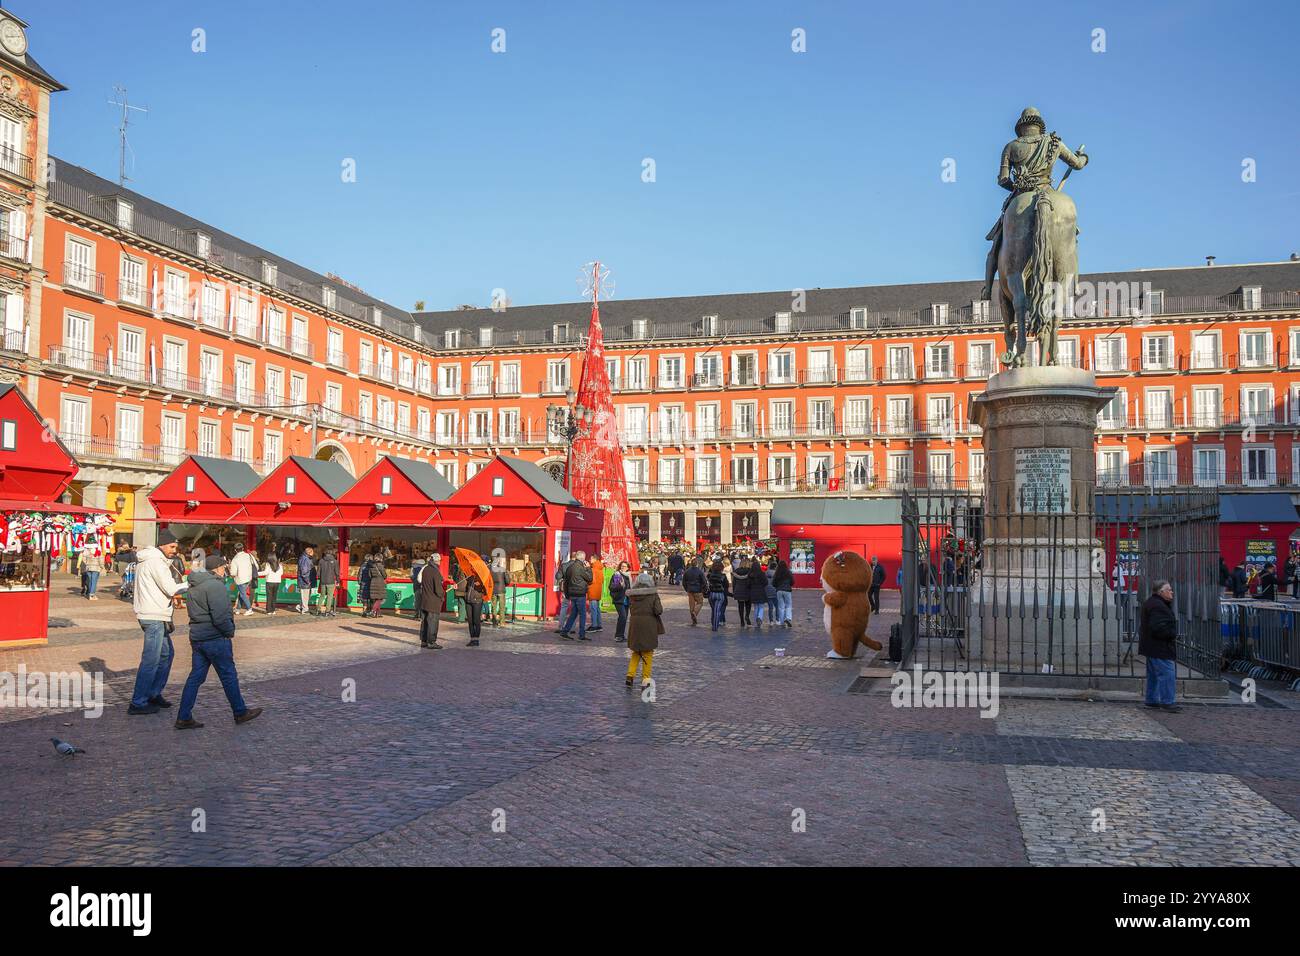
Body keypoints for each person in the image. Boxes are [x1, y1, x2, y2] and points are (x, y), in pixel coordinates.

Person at [174, 553, 263, 729]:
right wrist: (229, 631)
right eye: (224, 568)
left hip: (198, 636)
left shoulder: (194, 585)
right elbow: (221, 615)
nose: (226, 571)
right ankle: (240, 711)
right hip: (215, 637)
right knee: (228, 675)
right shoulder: (215, 586)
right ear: (216, 569)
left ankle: (184, 716)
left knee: (196, 677)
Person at [129, 529, 189, 716]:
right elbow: (171, 588)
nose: (174, 550)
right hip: (153, 615)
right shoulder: (155, 562)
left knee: (165, 654)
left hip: (155, 613)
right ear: (162, 545)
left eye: (175, 547)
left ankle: (153, 693)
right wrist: (193, 583)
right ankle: (138, 702)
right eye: (172, 546)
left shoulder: (154, 560)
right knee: (151, 659)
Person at [1139, 579, 1180, 713]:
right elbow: (1158, 627)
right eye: (1169, 589)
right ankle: (1168, 701)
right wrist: (1172, 634)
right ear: (1161, 592)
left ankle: (1152, 700)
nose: (1171, 592)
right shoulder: (1158, 606)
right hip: (1160, 647)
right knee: (1167, 674)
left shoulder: (1152, 603)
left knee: (1154, 675)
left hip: (1152, 646)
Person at [625, 571, 663, 690]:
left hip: (635, 623)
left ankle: (630, 676)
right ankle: (645, 680)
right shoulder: (653, 595)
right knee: (647, 653)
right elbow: (658, 610)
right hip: (648, 624)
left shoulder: (632, 595)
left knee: (636, 651)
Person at [558, 550, 594, 641]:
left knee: (573, 614)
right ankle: (581, 635)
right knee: (582, 615)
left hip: (572, 594)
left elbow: (566, 582)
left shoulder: (570, 567)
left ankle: (564, 632)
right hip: (580, 593)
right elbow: (590, 579)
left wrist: (567, 594)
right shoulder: (580, 567)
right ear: (583, 558)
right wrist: (589, 568)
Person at [419, 551, 445, 648]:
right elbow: (438, 590)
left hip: (425, 600)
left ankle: (424, 641)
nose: (439, 562)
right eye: (439, 561)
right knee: (433, 622)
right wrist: (443, 593)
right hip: (433, 602)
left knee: (425, 621)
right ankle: (431, 642)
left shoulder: (426, 569)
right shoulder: (435, 572)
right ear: (436, 561)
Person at [609, 560, 632, 643]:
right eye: (622, 566)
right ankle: (618, 636)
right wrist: (620, 586)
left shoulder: (628, 576)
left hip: (626, 599)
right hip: (619, 599)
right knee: (622, 616)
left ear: (628, 568)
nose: (623, 568)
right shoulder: (617, 575)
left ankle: (621, 635)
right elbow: (612, 587)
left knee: (624, 618)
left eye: (625, 566)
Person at [459, 572, 485, 646]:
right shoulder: (469, 576)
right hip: (468, 600)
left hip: (477, 600)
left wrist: (480, 585)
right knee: (470, 621)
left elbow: (486, 590)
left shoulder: (482, 577)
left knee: (476, 621)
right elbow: (465, 587)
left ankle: (476, 640)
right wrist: (457, 587)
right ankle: (472, 639)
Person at [681, 557, 706, 626]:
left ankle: (693, 620)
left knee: (691, 605)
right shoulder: (700, 571)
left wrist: (687, 589)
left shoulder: (687, 571)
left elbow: (684, 582)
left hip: (690, 590)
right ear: (697, 564)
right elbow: (704, 581)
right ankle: (694, 613)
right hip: (698, 589)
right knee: (700, 603)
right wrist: (703, 589)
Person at [706, 559, 729, 632]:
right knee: (717, 610)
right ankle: (715, 627)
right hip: (720, 594)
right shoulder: (723, 576)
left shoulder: (709, 575)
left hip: (711, 594)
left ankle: (713, 623)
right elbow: (726, 585)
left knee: (713, 610)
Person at [317, 547, 339, 616]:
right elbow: (337, 572)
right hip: (331, 581)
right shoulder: (335, 561)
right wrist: (338, 580)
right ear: (332, 553)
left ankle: (318, 610)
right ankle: (327, 611)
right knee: (329, 596)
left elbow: (318, 573)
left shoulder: (321, 561)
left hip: (323, 581)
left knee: (322, 596)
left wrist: (321, 578)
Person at [260, 550, 283, 615]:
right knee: (274, 596)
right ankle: (273, 610)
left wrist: (257, 573)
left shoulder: (268, 564)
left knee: (269, 596)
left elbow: (265, 573)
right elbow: (281, 573)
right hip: (277, 582)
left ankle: (269, 610)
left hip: (269, 581)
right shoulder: (279, 565)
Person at [772, 558, 793, 628]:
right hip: (787, 590)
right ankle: (788, 618)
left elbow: (773, 583)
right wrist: (789, 585)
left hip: (779, 591)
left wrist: (777, 587)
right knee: (788, 605)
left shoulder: (777, 573)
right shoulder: (789, 572)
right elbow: (792, 581)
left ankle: (781, 622)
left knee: (781, 607)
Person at [366, 550, 388, 617]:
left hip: (373, 582)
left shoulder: (371, 566)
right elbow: (385, 576)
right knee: (379, 598)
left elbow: (369, 575)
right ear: (380, 558)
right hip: (380, 583)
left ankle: (378, 613)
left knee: (376, 598)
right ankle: (373, 611)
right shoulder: (381, 566)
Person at [586, 552, 605, 632]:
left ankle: (594, 625)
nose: (589, 560)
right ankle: (599, 625)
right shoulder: (600, 568)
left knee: (593, 609)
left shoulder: (593, 569)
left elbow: (590, 580)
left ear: (594, 559)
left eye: (590, 559)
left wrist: (587, 568)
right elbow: (602, 580)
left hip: (593, 590)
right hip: (598, 591)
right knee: (597, 608)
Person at [489, 550, 508, 625]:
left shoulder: (490, 569)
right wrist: (505, 584)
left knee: (494, 606)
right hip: (501, 590)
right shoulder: (502, 569)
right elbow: (507, 580)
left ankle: (494, 621)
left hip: (493, 590)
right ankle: (502, 622)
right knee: (502, 607)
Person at [297, 546, 317, 614]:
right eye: (312, 552)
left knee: (306, 595)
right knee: (305, 596)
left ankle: (300, 606)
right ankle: (305, 609)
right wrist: (308, 581)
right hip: (305, 582)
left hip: (305, 581)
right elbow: (304, 572)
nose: (313, 554)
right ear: (309, 552)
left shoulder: (305, 558)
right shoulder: (305, 559)